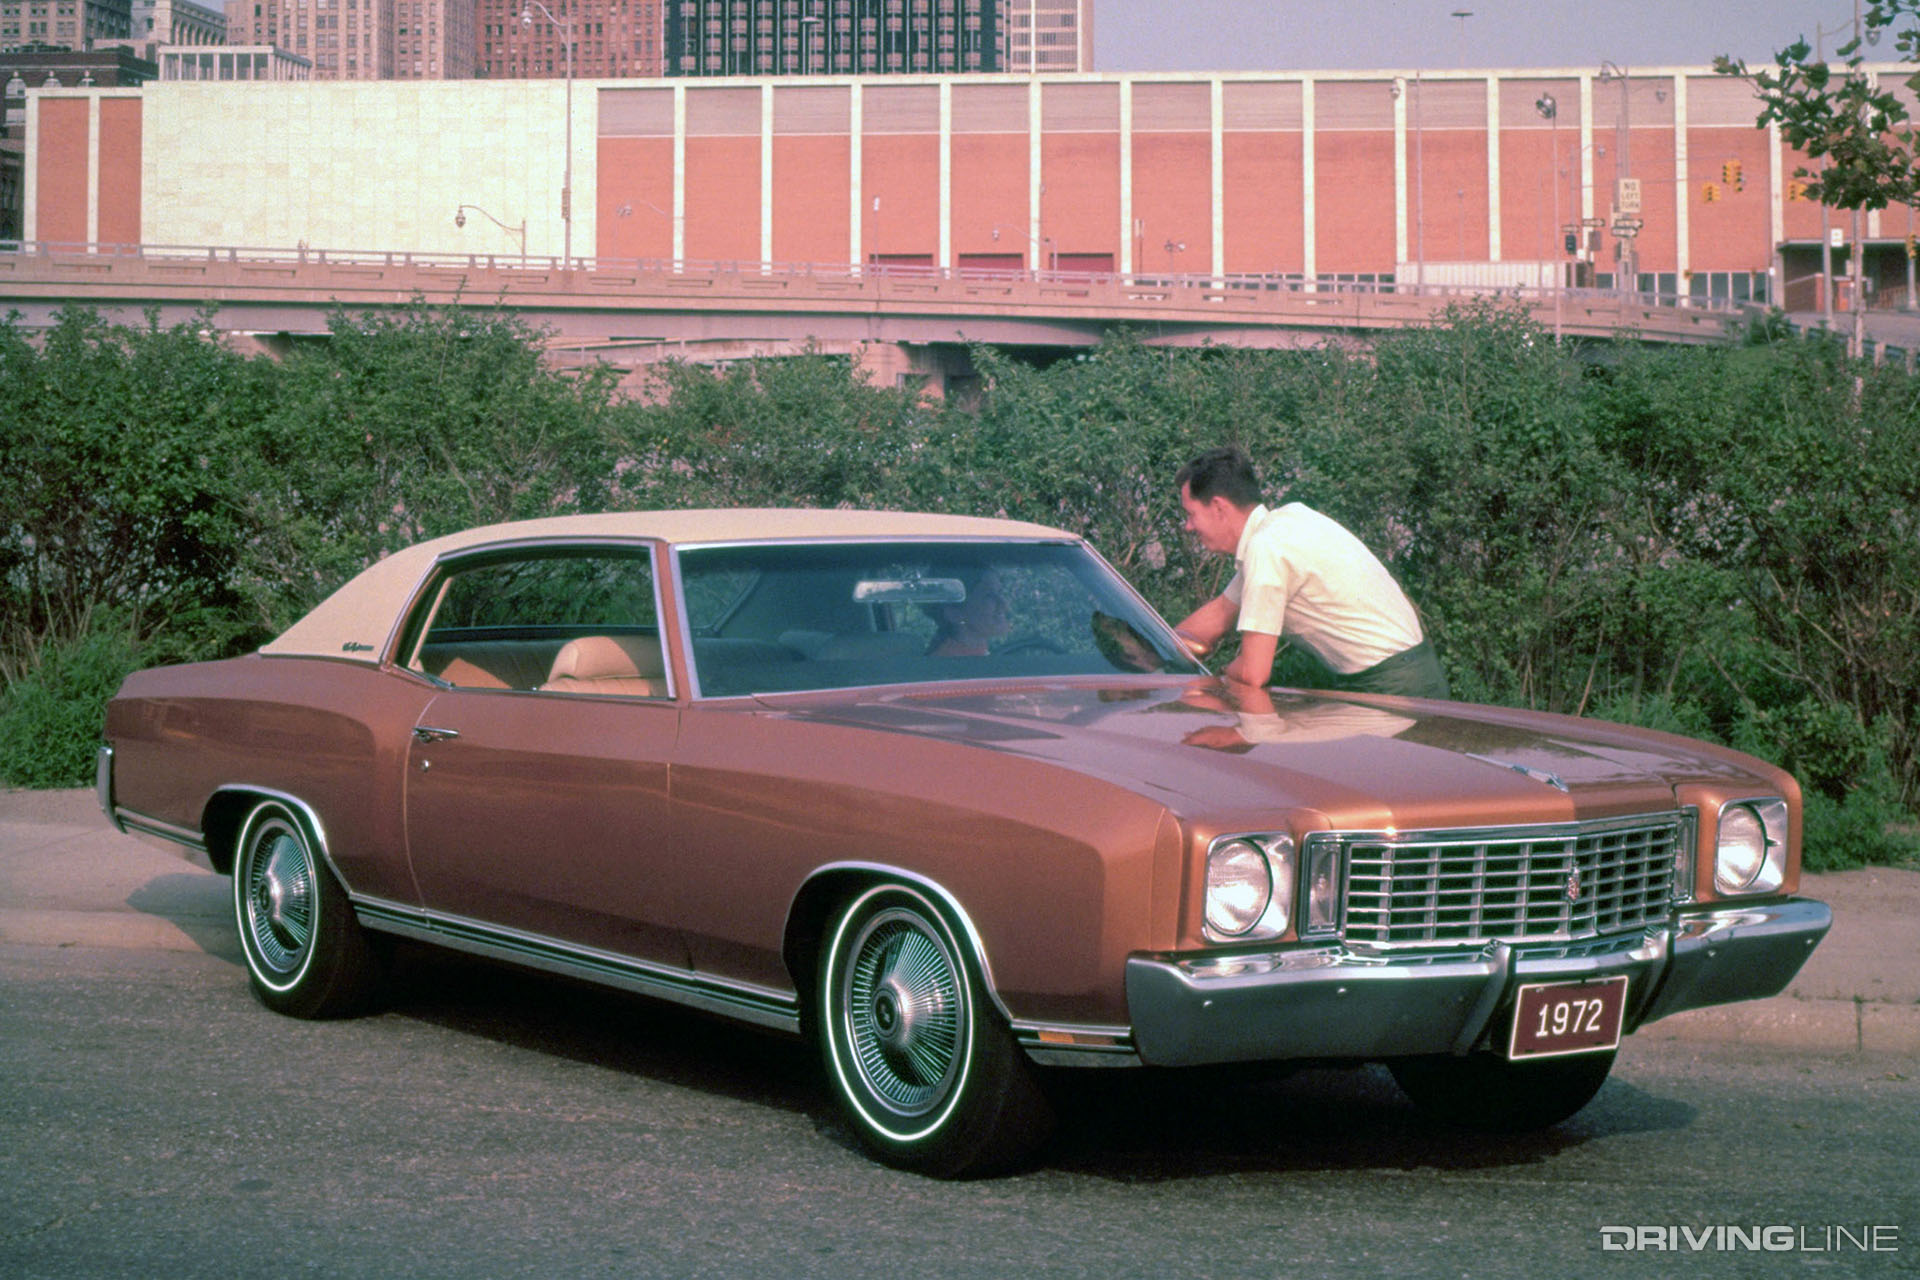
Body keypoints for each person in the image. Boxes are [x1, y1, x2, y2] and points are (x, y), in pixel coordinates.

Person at [1172, 446, 1451, 698]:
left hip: (1395, 685)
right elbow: (1218, 615)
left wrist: (1215, 679)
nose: (1188, 526)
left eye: (1191, 514)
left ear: (1219, 507)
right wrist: (1146, 649)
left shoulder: (1267, 547)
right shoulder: (1285, 524)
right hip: (1405, 673)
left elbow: (1253, 674)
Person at [927, 568, 1012, 656]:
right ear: (954, 613)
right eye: (989, 595)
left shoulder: (977, 657)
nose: (1003, 603)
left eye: (1000, 592)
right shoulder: (947, 664)